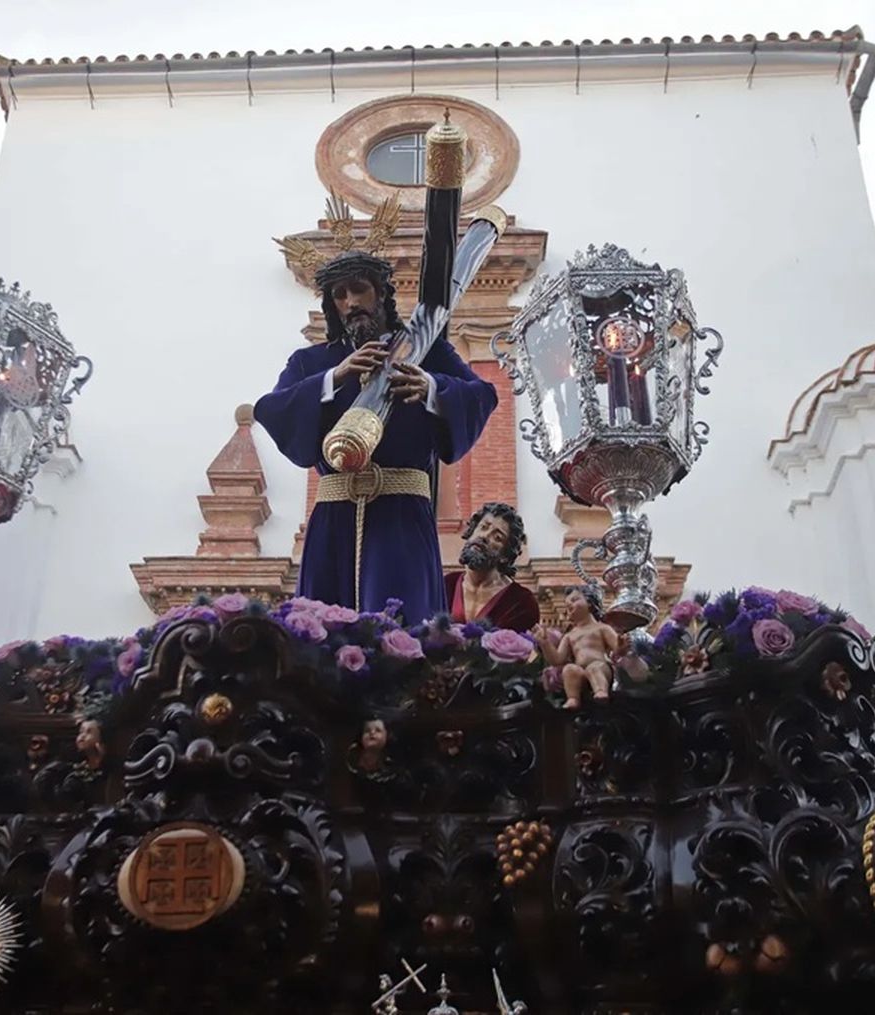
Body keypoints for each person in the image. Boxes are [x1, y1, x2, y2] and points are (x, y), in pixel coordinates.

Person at [255, 250, 496, 624]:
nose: (350, 303)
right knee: (323, 631)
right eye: (339, 295)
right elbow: (271, 409)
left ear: (382, 293)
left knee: (402, 626)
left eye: (359, 289)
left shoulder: (427, 352)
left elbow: (482, 395)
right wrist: (334, 376)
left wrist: (432, 386)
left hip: (402, 517)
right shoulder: (312, 362)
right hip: (334, 518)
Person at [445, 502, 539, 632]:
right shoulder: (445, 586)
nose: (484, 536)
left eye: (497, 537)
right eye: (483, 527)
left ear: (505, 555)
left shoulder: (521, 602)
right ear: (472, 531)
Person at [536, 585, 620, 709]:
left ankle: (601, 690)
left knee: (594, 667)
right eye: (567, 603)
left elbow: (617, 647)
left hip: (601, 667)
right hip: (580, 670)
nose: (569, 605)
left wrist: (621, 646)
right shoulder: (570, 635)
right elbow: (557, 659)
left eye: (574, 600)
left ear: (590, 603)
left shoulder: (602, 628)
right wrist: (545, 643)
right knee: (569, 669)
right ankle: (573, 698)